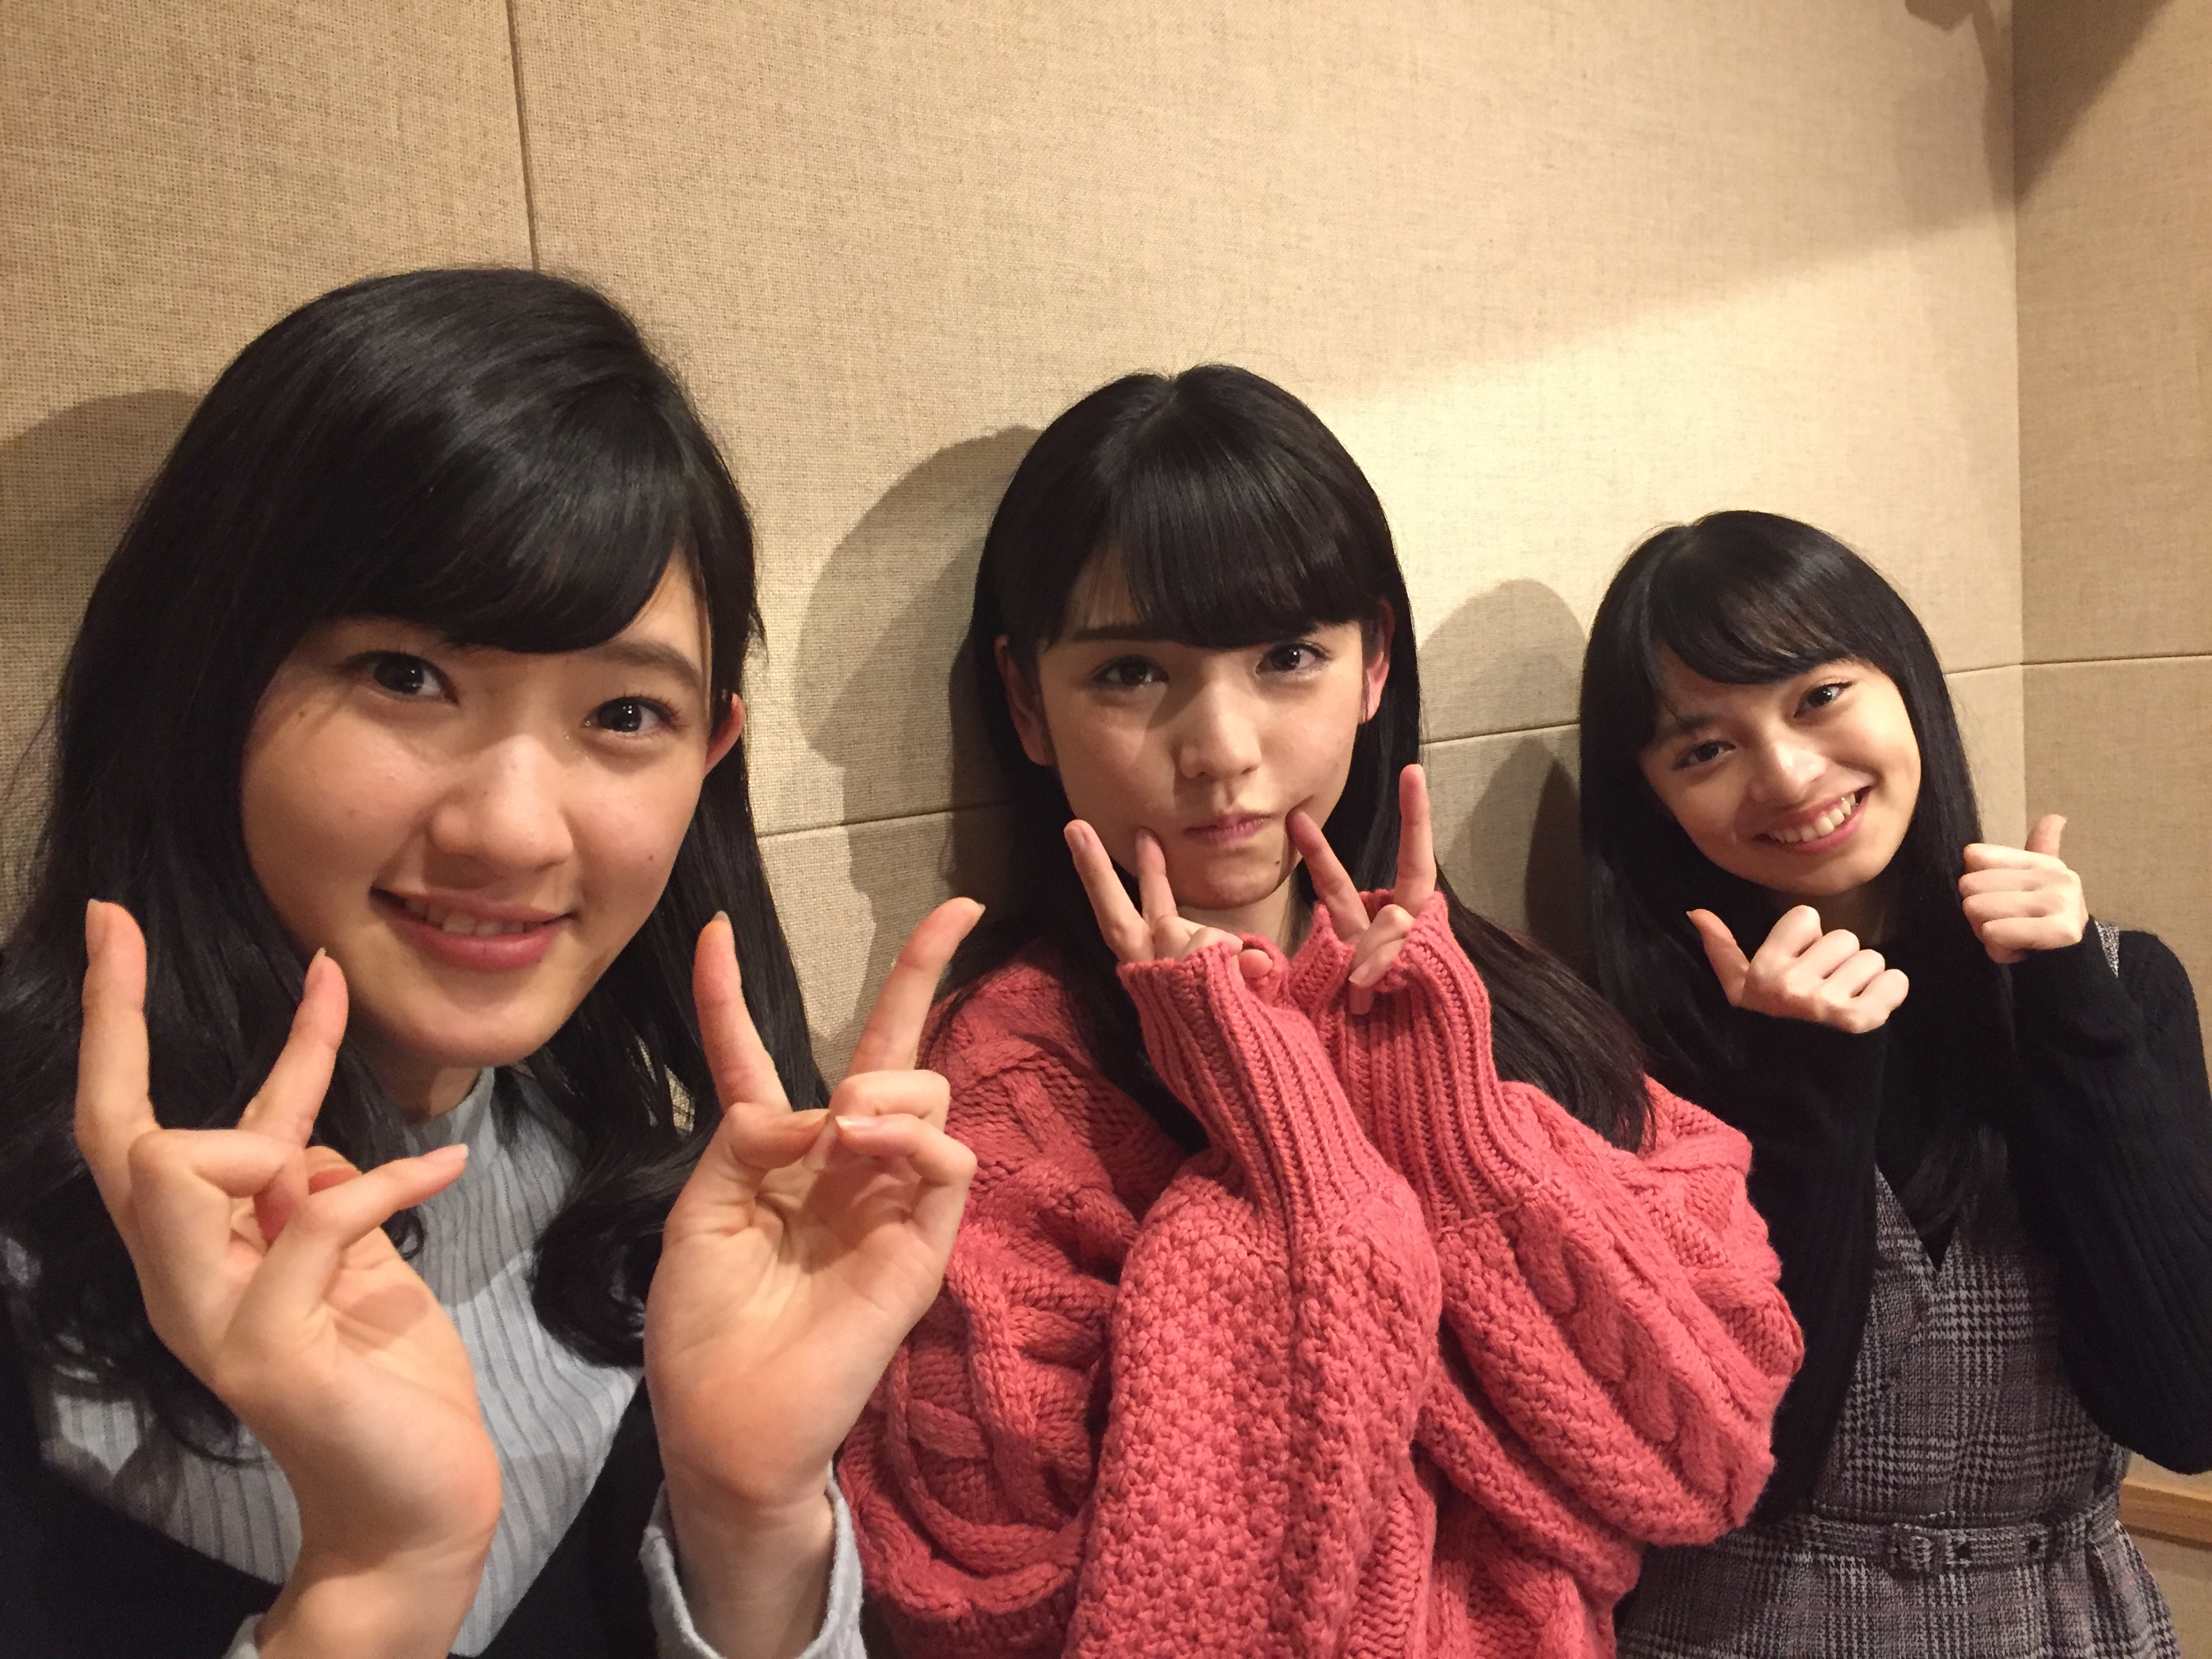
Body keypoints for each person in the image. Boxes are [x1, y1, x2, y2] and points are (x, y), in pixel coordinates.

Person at [0, 268, 983, 1659]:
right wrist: (377, 1584)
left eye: (624, 714)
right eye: (406, 676)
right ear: (203, 676)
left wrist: (751, 1511)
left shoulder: (673, 1221)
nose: (513, 829)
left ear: (708, 755)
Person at [838, 366, 1803, 1656]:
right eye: (1131, 671)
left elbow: (1708, 1460)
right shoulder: (1008, 1091)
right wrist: (1297, 1170)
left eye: (1287, 657)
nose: (1222, 748)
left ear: (1373, 663)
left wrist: (1453, 1132)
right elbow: (996, 1595)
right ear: (1027, 701)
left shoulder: (1495, 998)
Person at [1577, 510, 2212, 1658]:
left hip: (2066, 1619)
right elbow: (1752, 1475)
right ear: (1653, 798)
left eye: (1819, 695)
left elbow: (2185, 1406)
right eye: (1704, 750)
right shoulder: (1627, 1051)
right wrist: (1812, 1085)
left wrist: (2073, 1005)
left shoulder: (2115, 986)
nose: (1787, 774)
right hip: (1744, 1628)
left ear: (1903, 679)